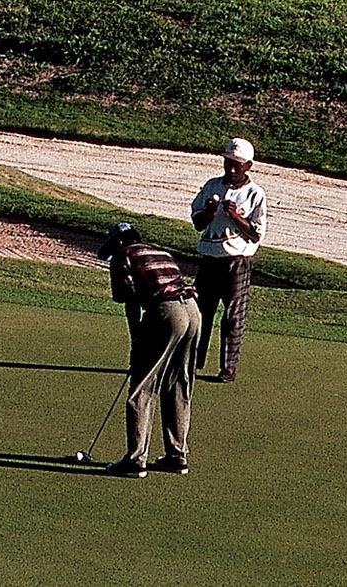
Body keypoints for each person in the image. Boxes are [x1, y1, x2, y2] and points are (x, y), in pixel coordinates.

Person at [100, 221, 197, 477]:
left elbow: (131, 303)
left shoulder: (123, 255)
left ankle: (135, 461)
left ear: (120, 242)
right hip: (192, 311)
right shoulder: (160, 251)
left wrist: (136, 343)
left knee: (142, 386)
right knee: (178, 382)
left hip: (168, 311)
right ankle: (177, 456)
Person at [190, 138, 265, 381]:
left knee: (233, 316)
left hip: (237, 261)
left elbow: (256, 234)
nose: (231, 169)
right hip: (209, 258)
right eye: (228, 162)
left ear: (248, 166)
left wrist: (235, 216)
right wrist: (210, 211)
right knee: (201, 312)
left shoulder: (255, 194)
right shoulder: (212, 185)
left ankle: (228, 368)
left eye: (237, 165)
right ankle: (193, 361)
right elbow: (198, 223)